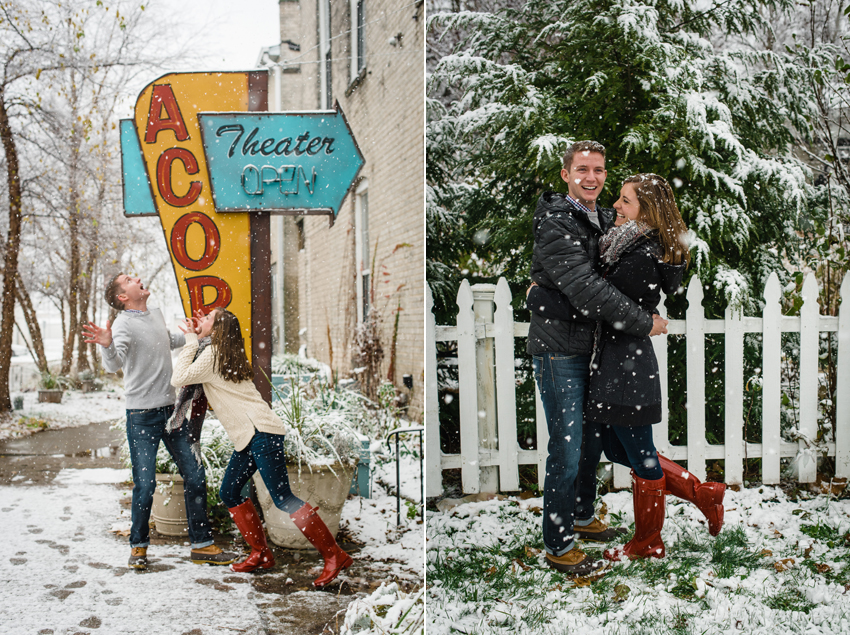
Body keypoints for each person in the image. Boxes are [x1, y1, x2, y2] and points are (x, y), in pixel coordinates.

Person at [529, 174, 726, 561]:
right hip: (616, 365)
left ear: (647, 212)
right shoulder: (629, 244)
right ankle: (702, 494)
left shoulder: (638, 256)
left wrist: (542, 301)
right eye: (618, 198)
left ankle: (649, 541)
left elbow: (600, 307)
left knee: (641, 456)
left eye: (625, 201)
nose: (615, 206)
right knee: (619, 449)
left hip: (625, 370)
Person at [527, 140, 669, 575]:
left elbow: (633, 263)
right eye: (582, 169)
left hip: (593, 352)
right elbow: (589, 290)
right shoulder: (557, 223)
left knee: (589, 444)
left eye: (599, 170)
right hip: (559, 353)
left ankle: (583, 517)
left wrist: (542, 299)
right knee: (567, 450)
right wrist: (644, 322)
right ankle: (559, 543)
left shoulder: (603, 218)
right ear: (566, 173)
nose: (592, 177)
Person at [170, 308, 353, 588]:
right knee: (229, 491)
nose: (202, 319)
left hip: (261, 432)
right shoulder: (223, 351)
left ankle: (334, 555)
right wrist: (200, 334)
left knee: (283, 498)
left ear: (217, 330)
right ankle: (261, 554)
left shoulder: (213, 353)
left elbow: (179, 376)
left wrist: (192, 339)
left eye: (208, 318)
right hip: (251, 434)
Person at [82, 274, 236, 569]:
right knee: (145, 484)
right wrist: (106, 344)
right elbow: (114, 364)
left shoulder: (154, 313)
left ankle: (202, 544)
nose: (137, 278)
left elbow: (164, 341)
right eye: (129, 279)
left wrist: (191, 334)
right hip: (142, 416)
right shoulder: (123, 324)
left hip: (172, 411)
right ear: (123, 297)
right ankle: (138, 546)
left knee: (194, 474)